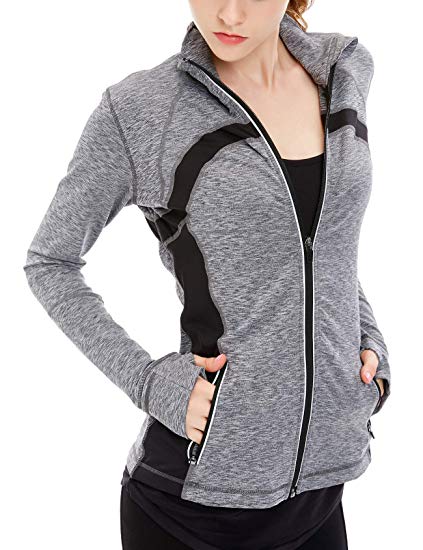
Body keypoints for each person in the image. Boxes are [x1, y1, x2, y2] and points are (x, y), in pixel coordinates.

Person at [23, 1, 391, 549]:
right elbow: (49, 262)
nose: (228, 13)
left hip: (320, 497)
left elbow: (321, 243)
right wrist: (150, 382)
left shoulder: (341, 76)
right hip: (189, 510)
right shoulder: (143, 110)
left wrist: (367, 339)